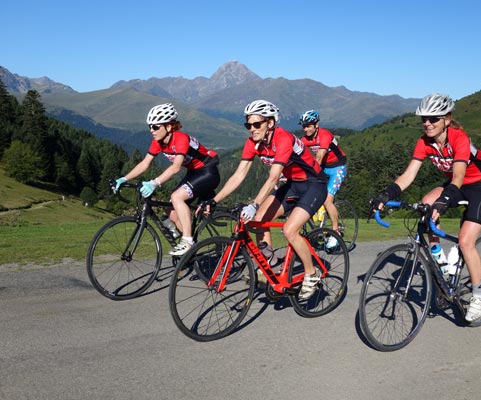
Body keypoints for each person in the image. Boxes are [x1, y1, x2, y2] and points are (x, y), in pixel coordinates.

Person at [370, 93, 481, 322]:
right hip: (456, 184)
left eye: (433, 118)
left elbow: (459, 175)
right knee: (425, 205)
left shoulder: (459, 138)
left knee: (465, 241)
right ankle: (438, 256)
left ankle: (479, 294)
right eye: (424, 119)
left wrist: (446, 199)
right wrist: (386, 194)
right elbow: (409, 174)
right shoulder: (424, 142)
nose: (427, 123)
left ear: (447, 119)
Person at [202, 100, 328, 299]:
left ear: (270, 123)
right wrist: (214, 200)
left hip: (314, 184)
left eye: (256, 124)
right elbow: (239, 174)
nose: (251, 129)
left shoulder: (283, 138)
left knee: (289, 230)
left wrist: (254, 203)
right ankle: (269, 261)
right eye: (248, 125)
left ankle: (312, 274)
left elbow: (273, 177)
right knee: (257, 219)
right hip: (293, 184)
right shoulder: (252, 143)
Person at [114, 103, 220, 256]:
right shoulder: (158, 142)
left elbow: (176, 168)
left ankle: (188, 241)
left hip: (208, 172)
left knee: (176, 197)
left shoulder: (180, 139)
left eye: (156, 127)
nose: (152, 130)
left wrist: (154, 183)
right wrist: (124, 178)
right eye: (150, 126)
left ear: (169, 127)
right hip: (194, 172)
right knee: (170, 210)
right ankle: (192, 249)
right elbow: (144, 163)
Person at [299, 110, 348, 249]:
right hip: (324, 168)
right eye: (304, 126)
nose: (306, 129)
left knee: (328, 200)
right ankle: (316, 224)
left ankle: (335, 232)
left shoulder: (325, 135)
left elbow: (319, 158)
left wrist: (310, 173)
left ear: (316, 125)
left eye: (309, 126)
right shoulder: (305, 139)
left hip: (338, 167)